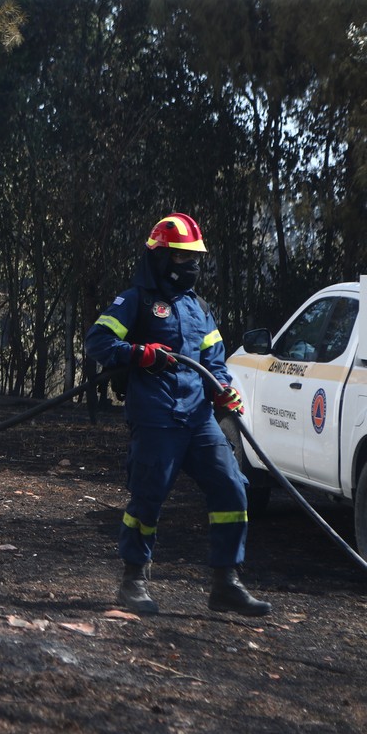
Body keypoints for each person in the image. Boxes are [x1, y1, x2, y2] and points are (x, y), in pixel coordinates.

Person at [84, 212, 271, 617]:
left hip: (198, 418)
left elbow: (214, 360)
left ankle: (226, 582)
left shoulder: (199, 307)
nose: (193, 266)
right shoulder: (134, 301)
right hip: (156, 417)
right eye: (184, 258)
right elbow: (97, 341)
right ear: (162, 259)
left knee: (232, 489)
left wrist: (222, 391)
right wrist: (139, 353)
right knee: (148, 497)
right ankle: (133, 580)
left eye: (195, 258)